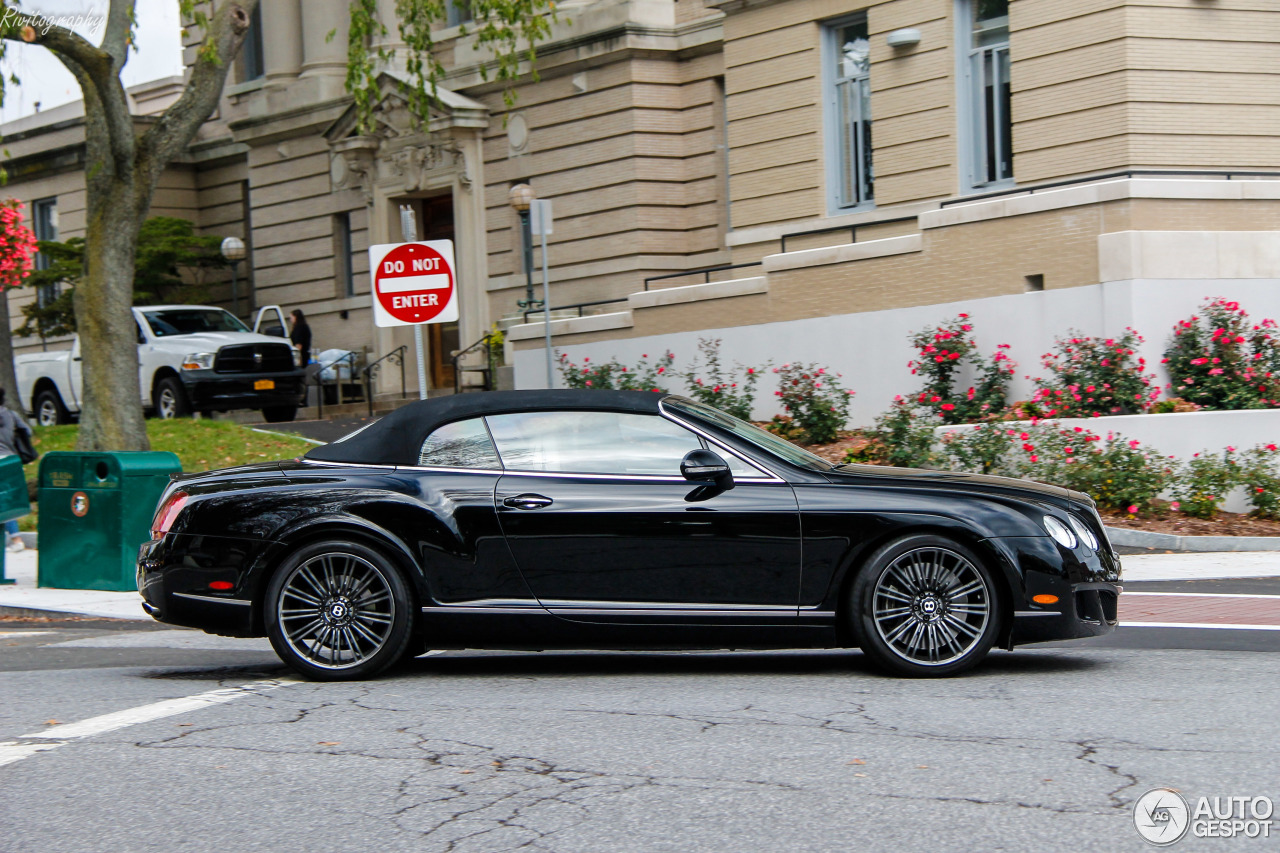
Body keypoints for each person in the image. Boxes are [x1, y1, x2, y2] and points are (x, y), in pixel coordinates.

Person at [0, 388, 31, 552]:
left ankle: (16, 539)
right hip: (11, 461)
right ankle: (16, 538)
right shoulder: (11, 415)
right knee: (6, 501)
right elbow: (28, 431)